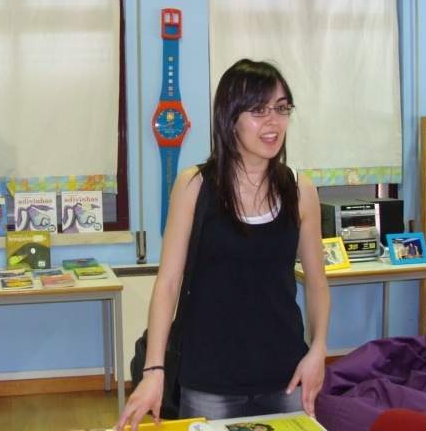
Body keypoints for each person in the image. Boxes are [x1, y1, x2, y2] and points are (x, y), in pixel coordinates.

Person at [115, 59, 330, 430]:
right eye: (259, 110)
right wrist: (153, 370)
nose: (273, 122)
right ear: (230, 119)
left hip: (285, 373)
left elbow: (317, 283)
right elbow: (168, 284)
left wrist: (319, 349)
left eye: (281, 108)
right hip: (209, 378)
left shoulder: (301, 190)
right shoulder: (194, 186)